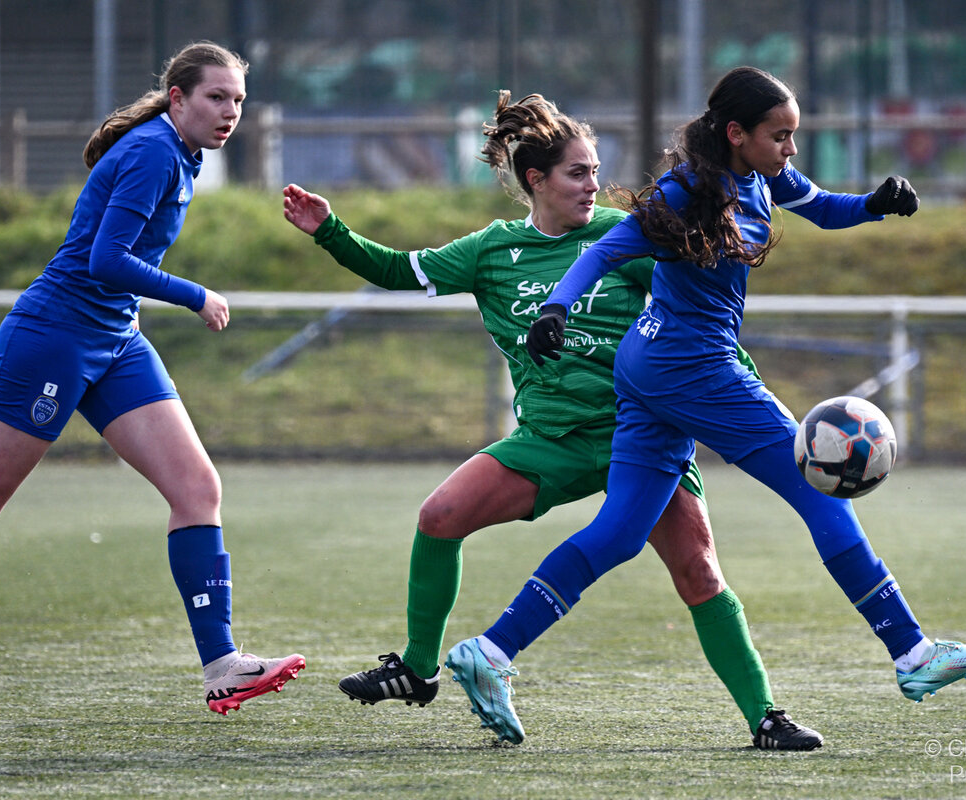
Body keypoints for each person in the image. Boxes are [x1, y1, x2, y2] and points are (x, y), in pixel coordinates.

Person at [446, 66, 966, 746]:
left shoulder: (765, 176)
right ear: (737, 133)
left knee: (621, 532)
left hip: (653, 367)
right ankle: (912, 652)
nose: (790, 149)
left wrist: (874, 203)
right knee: (819, 492)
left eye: (794, 135)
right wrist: (557, 307)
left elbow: (823, 207)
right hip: (693, 368)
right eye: (780, 135)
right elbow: (607, 250)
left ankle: (492, 649)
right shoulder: (685, 191)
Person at [282, 90, 818, 750]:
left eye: (596, 171)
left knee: (699, 573)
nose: (593, 184)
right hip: (551, 439)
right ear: (536, 179)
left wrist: (748, 394)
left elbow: (699, 325)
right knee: (439, 516)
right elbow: (397, 270)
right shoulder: (491, 250)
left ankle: (765, 717)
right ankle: (419, 671)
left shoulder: (627, 236)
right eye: (577, 172)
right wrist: (329, 230)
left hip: (640, 433)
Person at [0, 42, 305, 716]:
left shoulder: (183, 153)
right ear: (178, 98)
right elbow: (105, 261)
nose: (230, 112)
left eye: (238, 100)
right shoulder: (154, 151)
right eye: (216, 97)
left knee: (197, 488)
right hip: (55, 337)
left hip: (115, 339)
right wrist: (197, 295)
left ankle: (222, 664)